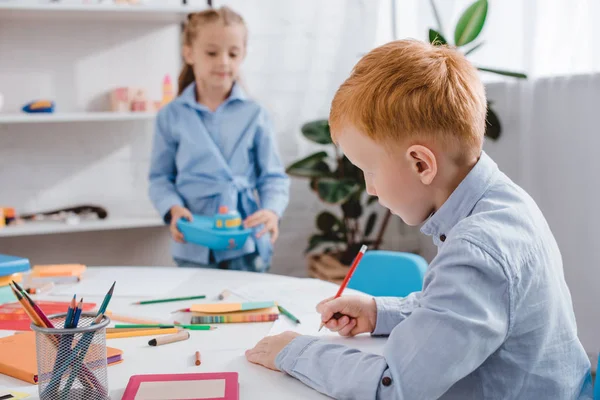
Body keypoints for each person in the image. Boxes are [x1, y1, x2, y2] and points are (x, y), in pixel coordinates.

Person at [246, 40, 593, 399]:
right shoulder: (502, 203)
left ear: (421, 164)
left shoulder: (478, 249)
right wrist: (381, 312)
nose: (370, 189)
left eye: (369, 169)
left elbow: (394, 387)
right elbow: (450, 311)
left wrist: (296, 351)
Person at [149, 7, 289, 272]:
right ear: (189, 52)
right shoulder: (171, 115)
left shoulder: (256, 114)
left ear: (243, 55)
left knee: (245, 308)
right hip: (194, 236)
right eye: (212, 53)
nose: (223, 61)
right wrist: (173, 208)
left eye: (233, 53)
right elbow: (159, 179)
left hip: (244, 235)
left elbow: (273, 177)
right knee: (197, 309)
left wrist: (271, 211)